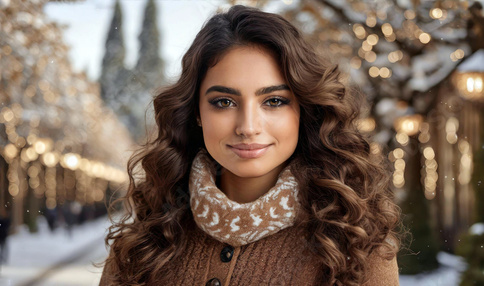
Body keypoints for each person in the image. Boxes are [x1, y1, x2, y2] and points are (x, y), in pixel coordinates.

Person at [99, 5, 402, 286]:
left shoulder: (357, 246)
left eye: (273, 101)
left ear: (303, 110)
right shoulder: (143, 244)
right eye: (224, 102)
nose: (247, 127)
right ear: (196, 112)